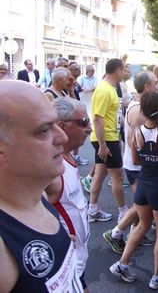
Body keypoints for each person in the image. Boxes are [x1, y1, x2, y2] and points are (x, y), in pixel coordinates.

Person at [0, 80, 83, 292]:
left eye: (56, 124)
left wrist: (62, 246)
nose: (62, 137)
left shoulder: (38, 195)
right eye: (43, 130)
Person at [110, 92, 158, 289]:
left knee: (142, 226)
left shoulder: (137, 131)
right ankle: (157, 276)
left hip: (143, 183)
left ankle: (122, 264)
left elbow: (135, 161)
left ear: (143, 111)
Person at [102, 70, 158, 253]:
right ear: (148, 86)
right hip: (138, 165)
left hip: (137, 164)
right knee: (142, 205)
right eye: (155, 83)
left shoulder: (138, 104)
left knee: (143, 204)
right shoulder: (139, 110)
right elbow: (134, 140)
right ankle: (118, 233)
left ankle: (129, 233)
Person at [45, 97, 91, 292]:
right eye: (83, 123)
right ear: (62, 126)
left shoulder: (67, 155)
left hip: (79, 258)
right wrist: (52, 235)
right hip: (65, 266)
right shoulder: (49, 168)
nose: (89, 128)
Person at [88, 58, 128, 223]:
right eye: (124, 69)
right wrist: (103, 146)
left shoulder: (110, 88)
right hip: (107, 139)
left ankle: (92, 209)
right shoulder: (104, 90)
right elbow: (98, 119)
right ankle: (123, 213)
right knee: (117, 176)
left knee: (100, 174)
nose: (125, 73)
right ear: (118, 70)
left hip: (107, 138)